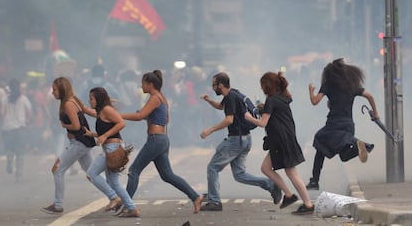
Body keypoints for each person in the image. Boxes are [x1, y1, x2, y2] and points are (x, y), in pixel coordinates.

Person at [120, 70, 203, 214]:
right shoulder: (161, 97)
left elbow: (140, 116)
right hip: (162, 139)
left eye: (143, 84)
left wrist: (118, 115)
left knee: (134, 171)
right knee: (167, 175)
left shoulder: (154, 98)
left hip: (155, 140)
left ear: (150, 84)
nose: (141, 87)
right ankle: (195, 197)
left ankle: (128, 206)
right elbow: (164, 118)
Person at [199, 72, 281, 211]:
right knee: (240, 175)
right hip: (245, 139)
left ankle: (215, 201)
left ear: (220, 85)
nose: (213, 88)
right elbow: (220, 106)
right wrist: (209, 101)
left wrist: (210, 130)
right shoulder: (234, 94)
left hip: (235, 140)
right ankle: (271, 185)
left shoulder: (230, 97)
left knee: (212, 168)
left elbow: (229, 119)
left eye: (214, 85)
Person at [245, 72, 314, 215]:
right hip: (284, 139)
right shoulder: (282, 97)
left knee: (291, 172)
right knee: (267, 168)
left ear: (267, 85)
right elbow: (275, 113)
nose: (261, 87)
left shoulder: (271, 100)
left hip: (281, 140)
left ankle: (306, 204)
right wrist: (263, 108)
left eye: (262, 85)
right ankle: (290, 196)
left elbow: (263, 123)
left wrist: (248, 117)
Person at [305, 58, 379, 191]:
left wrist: (311, 91)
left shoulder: (328, 85)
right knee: (344, 156)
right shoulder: (351, 85)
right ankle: (359, 147)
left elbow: (315, 101)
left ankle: (314, 181)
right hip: (348, 125)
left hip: (333, 125)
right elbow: (369, 96)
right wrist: (376, 113)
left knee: (319, 143)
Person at [82, 87, 140, 218]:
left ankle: (113, 197)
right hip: (110, 147)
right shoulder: (101, 112)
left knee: (91, 174)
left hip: (113, 148)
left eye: (91, 98)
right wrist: (91, 134)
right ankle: (132, 208)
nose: (90, 101)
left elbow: (121, 123)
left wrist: (104, 136)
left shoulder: (107, 110)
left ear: (98, 99)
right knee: (114, 182)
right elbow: (104, 132)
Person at [42, 77, 96, 214]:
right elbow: (88, 111)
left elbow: (76, 126)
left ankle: (58, 205)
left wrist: (65, 125)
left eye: (54, 89)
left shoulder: (68, 104)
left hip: (79, 143)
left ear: (62, 89)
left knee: (57, 170)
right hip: (83, 142)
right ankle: (114, 196)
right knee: (92, 174)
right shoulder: (73, 99)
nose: (52, 92)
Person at [0, 78, 32, 182]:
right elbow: (30, 114)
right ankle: (18, 173)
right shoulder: (24, 99)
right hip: (20, 129)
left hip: (7, 129)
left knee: (9, 148)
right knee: (20, 152)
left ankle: (9, 157)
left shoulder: (5, 99)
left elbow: (2, 113)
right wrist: (28, 121)